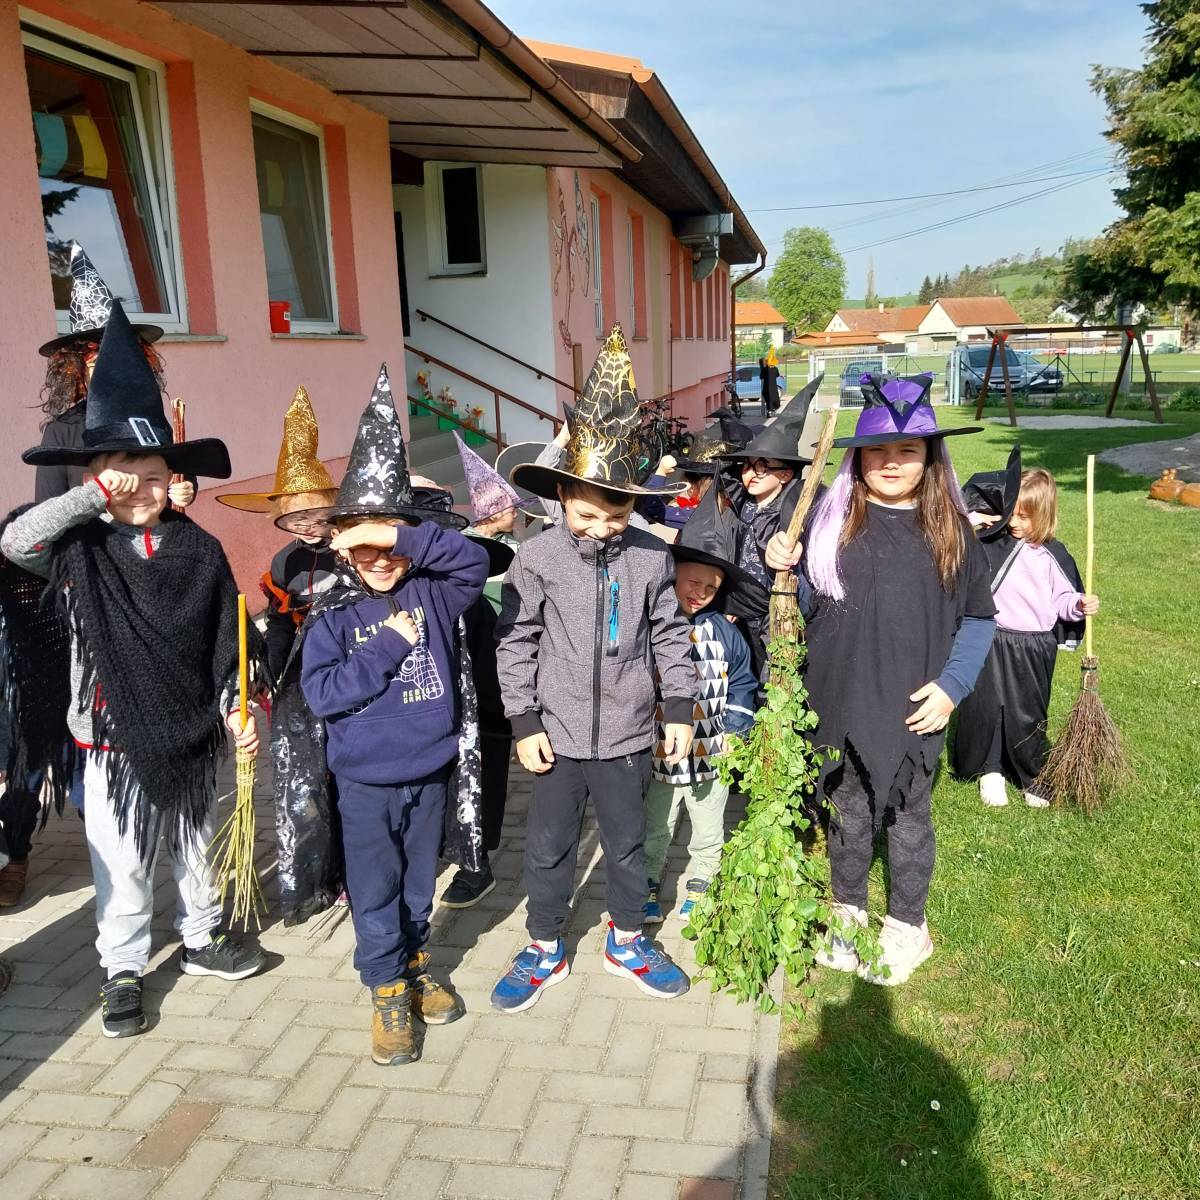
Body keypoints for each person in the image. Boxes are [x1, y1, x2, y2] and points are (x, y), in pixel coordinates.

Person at [5, 300, 264, 1038]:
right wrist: (93, 495)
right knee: (121, 864)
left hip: (189, 732)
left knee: (193, 849)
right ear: (95, 480)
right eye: (123, 476)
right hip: (111, 740)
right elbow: (18, 543)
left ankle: (202, 937)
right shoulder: (80, 550)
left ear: (173, 477)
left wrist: (236, 708)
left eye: (153, 476)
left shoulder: (198, 550)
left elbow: (226, 642)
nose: (141, 489)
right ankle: (122, 967)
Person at [284, 365, 489, 1066]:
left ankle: (415, 961)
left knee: (417, 882)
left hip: (427, 768)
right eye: (362, 544)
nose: (379, 559)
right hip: (366, 781)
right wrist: (387, 648)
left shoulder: (432, 590)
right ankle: (386, 988)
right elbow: (323, 695)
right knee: (375, 888)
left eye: (389, 545)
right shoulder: (333, 616)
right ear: (341, 545)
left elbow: (471, 563)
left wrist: (399, 534)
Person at [490, 325, 697, 1012]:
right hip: (556, 736)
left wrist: (678, 710)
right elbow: (516, 642)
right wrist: (524, 721)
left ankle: (627, 940)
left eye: (618, 514)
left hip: (630, 735)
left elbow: (670, 634)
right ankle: (544, 945)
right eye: (587, 514)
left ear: (634, 502)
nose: (603, 527)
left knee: (627, 844)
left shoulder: (651, 556)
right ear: (561, 496)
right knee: (548, 847)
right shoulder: (538, 558)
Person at [765, 374, 997, 987]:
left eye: (907, 450)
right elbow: (807, 605)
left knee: (907, 814)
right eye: (878, 451)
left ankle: (907, 925)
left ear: (930, 457)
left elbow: (979, 619)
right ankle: (849, 909)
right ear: (858, 457)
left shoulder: (952, 534)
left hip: (911, 701)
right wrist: (783, 567)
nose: (891, 462)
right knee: (847, 808)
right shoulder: (831, 522)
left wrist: (952, 687)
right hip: (839, 696)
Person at [952, 450, 1096, 807]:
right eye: (1011, 512)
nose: (1014, 522)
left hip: (1033, 646)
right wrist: (979, 519)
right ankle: (990, 769)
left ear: (1043, 515)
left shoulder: (1052, 554)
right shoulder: (990, 542)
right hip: (991, 638)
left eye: (1024, 516)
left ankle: (1031, 774)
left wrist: (1079, 605)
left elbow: (1063, 599)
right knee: (985, 706)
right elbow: (956, 531)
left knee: (1027, 712)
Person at [643, 541, 761, 924]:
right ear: (673, 576)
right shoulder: (653, 625)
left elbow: (742, 681)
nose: (701, 593)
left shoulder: (724, 632)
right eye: (693, 582)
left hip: (712, 746)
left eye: (711, 588)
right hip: (662, 749)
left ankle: (704, 881)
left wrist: (735, 729)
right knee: (657, 822)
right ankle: (647, 881)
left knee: (709, 822)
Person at [216, 384, 340, 682]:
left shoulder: (350, 550)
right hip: (309, 660)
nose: (306, 526)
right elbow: (280, 623)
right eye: (296, 518)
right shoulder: (284, 562)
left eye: (315, 515)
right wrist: (272, 665)